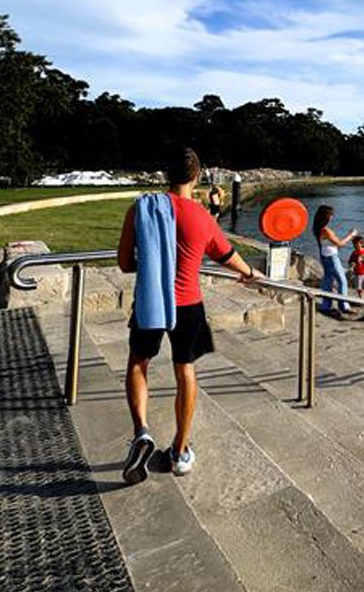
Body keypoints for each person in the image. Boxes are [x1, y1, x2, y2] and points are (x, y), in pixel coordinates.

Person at [117, 146, 258, 484]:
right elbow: (227, 255)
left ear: (166, 174)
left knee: (139, 362)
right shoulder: (202, 217)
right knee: (186, 372)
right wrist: (251, 271)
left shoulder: (141, 210)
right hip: (189, 305)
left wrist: (151, 265)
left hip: (151, 301)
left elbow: (124, 263)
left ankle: (142, 432)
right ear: (197, 176)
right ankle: (180, 451)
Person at [314, 204, 358, 317]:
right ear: (326, 216)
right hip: (331, 258)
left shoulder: (318, 228)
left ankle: (326, 305)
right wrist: (351, 235)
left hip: (325, 256)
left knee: (328, 281)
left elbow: (330, 244)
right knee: (342, 281)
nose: (332, 217)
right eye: (330, 215)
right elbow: (340, 244)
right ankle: (344, 306)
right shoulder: (325, 230)